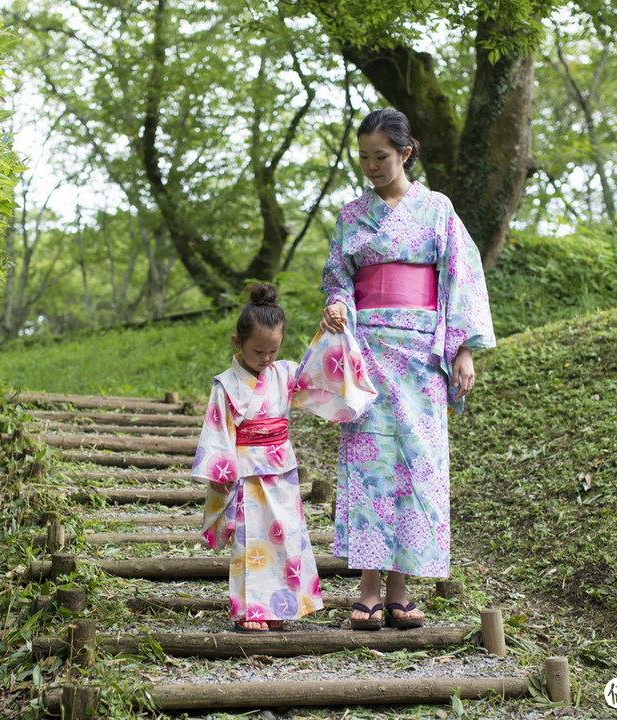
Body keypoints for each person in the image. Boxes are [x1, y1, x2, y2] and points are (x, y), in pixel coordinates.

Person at [319, 108, 496, 631]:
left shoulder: (437, 209)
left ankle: (401, 588)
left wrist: (461, 348)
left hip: (422, 357)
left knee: (418, 467)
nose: (372, 167)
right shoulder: (352, 215)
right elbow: (338, 278)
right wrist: (337, 306)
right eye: (365, 158)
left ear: (406, 153)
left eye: (382, 157)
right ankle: (368, 589)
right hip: (368, 354)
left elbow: (460, 279)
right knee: (371, 467)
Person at [192, 283, 377, 632]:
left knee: (286, 538)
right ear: (237, 343)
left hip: (281, 470)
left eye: (273, 351)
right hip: (246, 471)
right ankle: (251, 611)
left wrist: (328, 333)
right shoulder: (226, 384)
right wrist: (220, 471)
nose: (265, 359)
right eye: (258, 351)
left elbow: (319, 371)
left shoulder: (286, 372)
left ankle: (281, 608)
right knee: (252, 543)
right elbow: (217, 430)